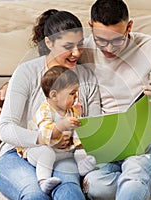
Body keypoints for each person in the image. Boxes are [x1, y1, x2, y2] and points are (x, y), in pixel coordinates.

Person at [0, 1, 151, 199]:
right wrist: (9, 87)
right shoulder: (83, 49)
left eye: (117, 40)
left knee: (135, 169)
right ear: (91, 27)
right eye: (101, 40)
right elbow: (42, 64)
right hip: (108, 140)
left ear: (129, 27)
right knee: (93, 186)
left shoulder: (150, 48)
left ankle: (148, 175)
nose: (108, 48)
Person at [0, 9, 101, 200]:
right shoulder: (27, 72)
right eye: (68, 46)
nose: (76, 53)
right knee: (35, 195)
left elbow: (94, 130)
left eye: (80, 45)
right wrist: (48, 137)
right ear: (49, 43)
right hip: (18, 153)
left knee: (70, 193)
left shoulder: (87, 79)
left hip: (64, 156)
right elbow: (6, 129)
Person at [20, 65, 96, 194]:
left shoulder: (71, 111)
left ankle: (82, 166)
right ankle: (43, 181)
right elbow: (45, 135)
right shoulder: (44, 110)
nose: (75, 98)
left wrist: (81, 142)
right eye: (72, 94)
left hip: (61, 151)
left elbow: (77, 132)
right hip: (37, 150)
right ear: (54, 95)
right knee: (46, 153)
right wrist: (62, 126)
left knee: (79, 148)